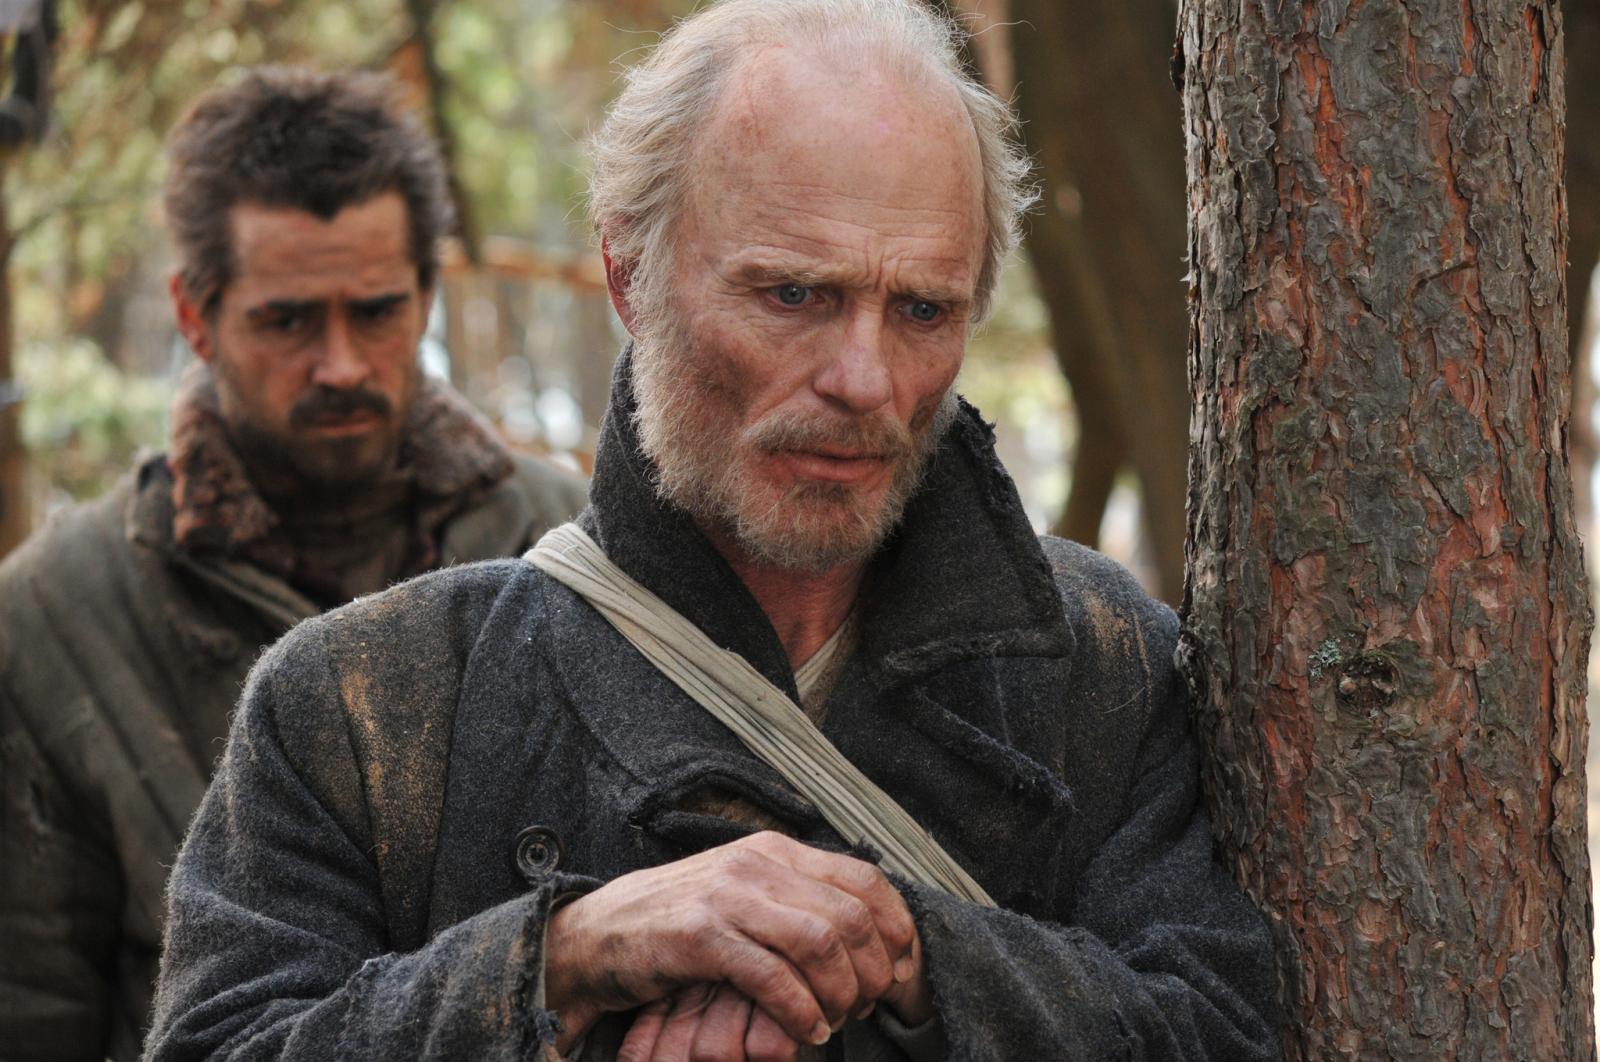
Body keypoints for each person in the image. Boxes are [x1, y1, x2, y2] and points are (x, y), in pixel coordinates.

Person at [146, 4, 1280, 1060]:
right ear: (627, 273)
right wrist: (559, 958)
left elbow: (1225, 1028)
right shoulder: (361, 706)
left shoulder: (1105, 669)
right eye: (793, 295)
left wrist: (909, 953)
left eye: (922, 309)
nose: (864, 380)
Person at [0, 68, 587, 1061]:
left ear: (427, 297)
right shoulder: (55, 621)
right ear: (194, 317)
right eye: (287, 320)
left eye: (377, 311)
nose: (342, 364)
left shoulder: (570, 549)